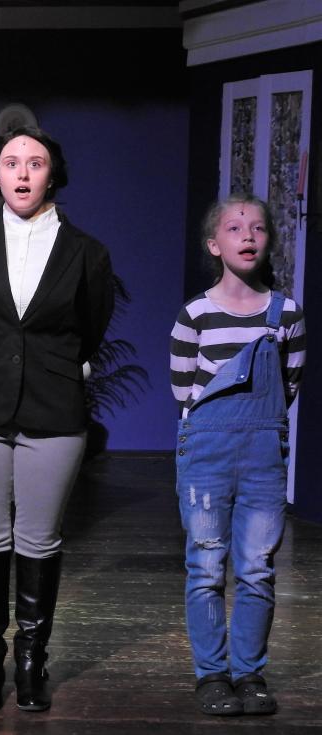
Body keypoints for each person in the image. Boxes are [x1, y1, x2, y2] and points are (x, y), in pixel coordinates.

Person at [0, 126, 114, 712]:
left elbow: (90, 331)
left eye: (35, 163)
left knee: (40, 539)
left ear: (52, 175)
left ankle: (33, 660)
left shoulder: (87, 252)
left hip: (54, 407)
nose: (22, 173)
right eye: (11, 162)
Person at [169, 193, 305, 717]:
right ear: (214, 244)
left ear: (269, 241)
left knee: (256, 567)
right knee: (205, 566)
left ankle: (249, 673)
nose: (247, 235)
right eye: (234, 227)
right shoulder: (195, 314)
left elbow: (289, 383)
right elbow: (184, 391)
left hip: (263, 454)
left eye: (257, 228)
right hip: (206, 453)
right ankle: (211, 675)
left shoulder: (285, 313)